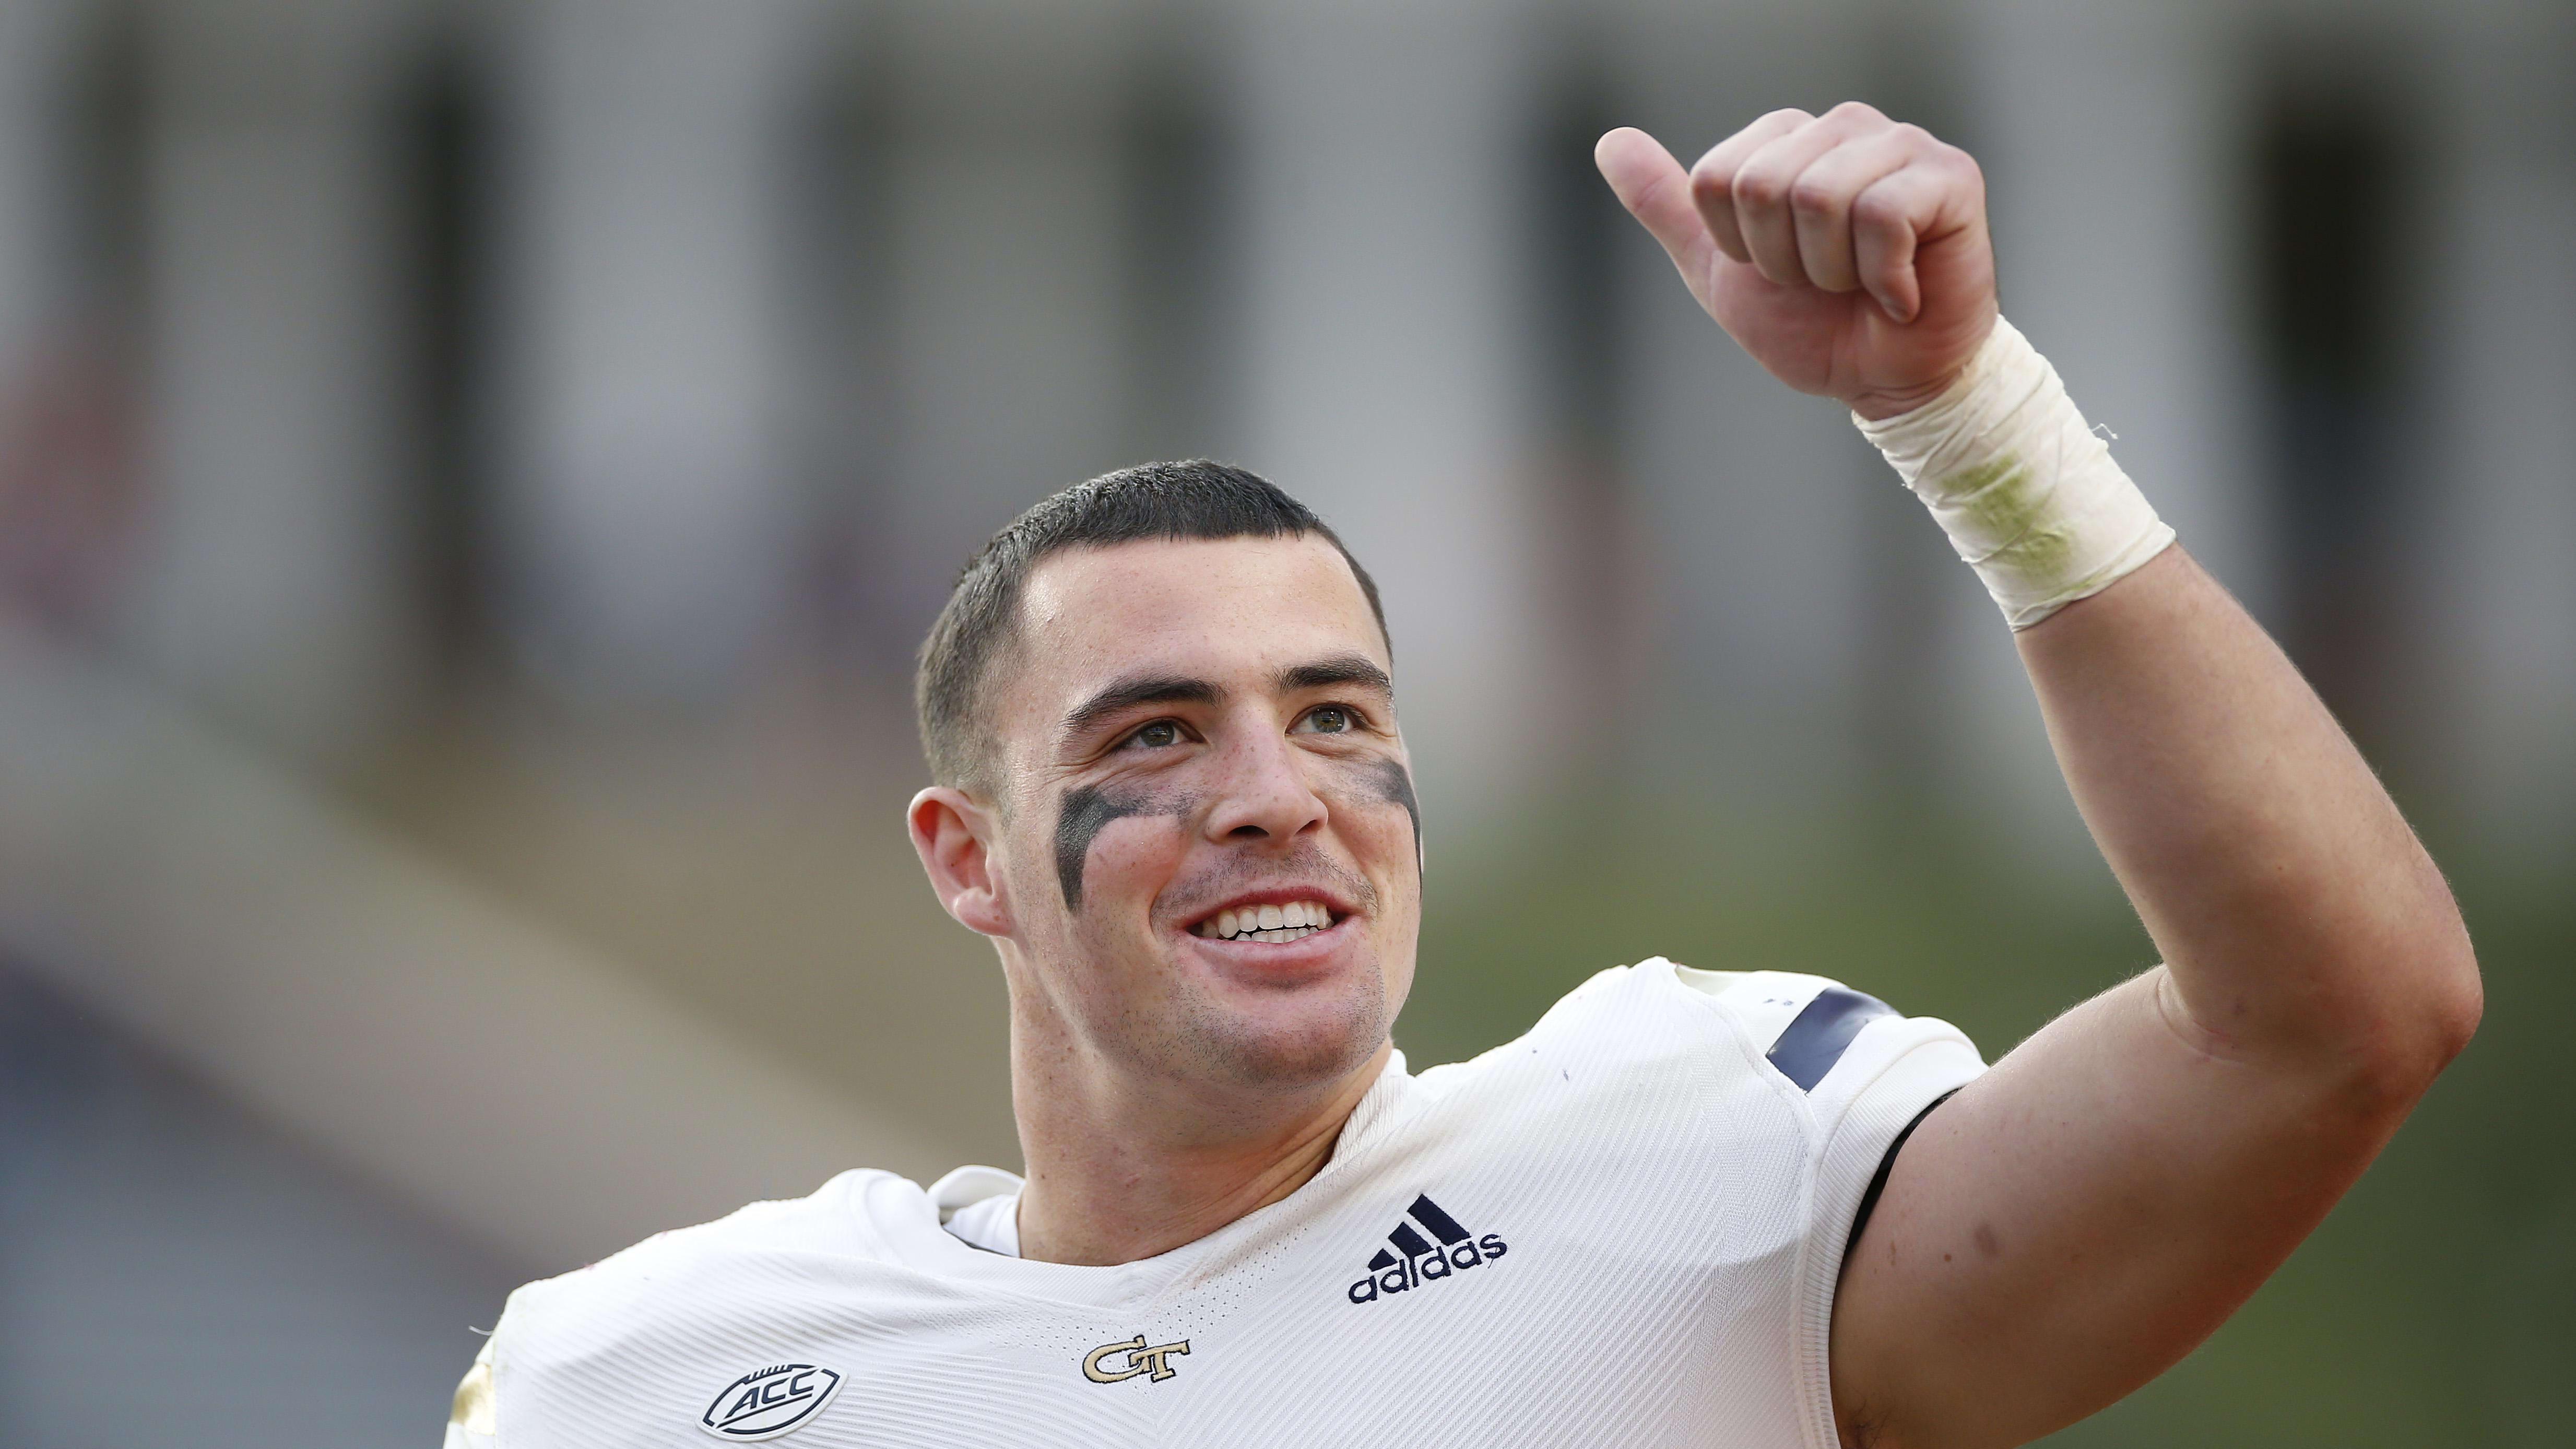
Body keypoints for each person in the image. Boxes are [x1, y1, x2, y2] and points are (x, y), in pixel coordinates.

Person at [445, 103, 2478, 1449]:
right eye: (1156, 735)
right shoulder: (635, 1374)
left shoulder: (1694, 1156)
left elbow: (2340, 1021)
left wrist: (1970, 422)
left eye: (1336, 715)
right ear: (968, 861)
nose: (1275, 791)